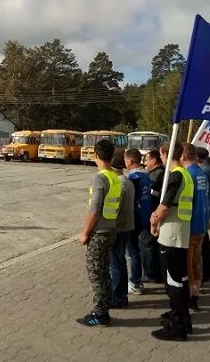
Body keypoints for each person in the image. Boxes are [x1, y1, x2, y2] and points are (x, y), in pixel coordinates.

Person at [150, 141, 193, 341]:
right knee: (181, 280)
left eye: (161, 154)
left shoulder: (176, 175)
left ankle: (177, 327)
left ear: (166, 153)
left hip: (172, 234)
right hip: (180, 232)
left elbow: (165, 206)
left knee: (173, 282)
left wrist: (154, 219)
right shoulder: (186, 174)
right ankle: (183, 319)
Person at [76, 139, 120, 327]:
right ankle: (105, 306)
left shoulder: (100, 178)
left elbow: (94, 209)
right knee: (104, 270)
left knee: (96, 272)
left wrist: (85, 232)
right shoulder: (115, 177)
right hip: (111, 230)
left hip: (99, 232)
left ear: (95, 155)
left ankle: (100, 313)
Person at [182, 144, 209, 311]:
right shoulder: (201, 173)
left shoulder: (188, 174)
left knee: (188, 265)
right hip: (201, 224)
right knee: (195, 263)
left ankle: (191, 297)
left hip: (191, 225)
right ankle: (196, 293)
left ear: (184, 155)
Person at [124, 148, 153, 294]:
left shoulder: (134, 178)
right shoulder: (147, 176)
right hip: (146, 216)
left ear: (130, 161)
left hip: (135, 218)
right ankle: (139, 279)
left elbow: (130, 200)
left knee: (133, 252)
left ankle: (135, 282)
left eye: (125, 160)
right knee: (138, 250)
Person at [109, 150, 135, 309]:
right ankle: (122, 295)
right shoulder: (128, 181)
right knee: (120, 261)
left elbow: (115, 209)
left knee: (115, 263)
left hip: (119, 228)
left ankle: (117, 296)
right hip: (128, 226)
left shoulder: (118, 184)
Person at [196, 148, 210, 285]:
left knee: (202, 244)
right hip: (206, 210)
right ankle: (205, 272)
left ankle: (204, 274)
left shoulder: (203, 172)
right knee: (204, 242)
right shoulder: (207, 170)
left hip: (202, 212)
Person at [142, 150, 164, 282]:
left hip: (154, 215)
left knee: (148, 244)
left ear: (154, 160)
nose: (144, 163)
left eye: (146, 160)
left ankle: (151, 273)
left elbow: (152, 197)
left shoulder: (156, 175)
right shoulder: (160, 173)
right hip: (156, 215)